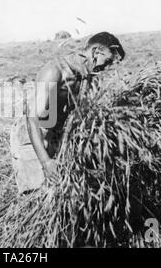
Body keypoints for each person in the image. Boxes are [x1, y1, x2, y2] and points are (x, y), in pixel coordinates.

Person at [10, 32, 125, 194]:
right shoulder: (54, 71)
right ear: (95, 52)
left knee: (61, 194)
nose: (106, 68)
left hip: (56, 135)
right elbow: (33, 118)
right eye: (107, 62)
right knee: (36, 195)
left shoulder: (87, 76)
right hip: (32, 134)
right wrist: (45, 162)